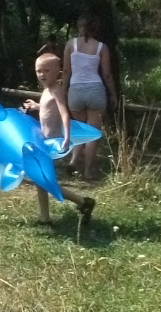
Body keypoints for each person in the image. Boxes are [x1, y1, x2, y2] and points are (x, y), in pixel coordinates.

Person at [22, 52, 96, 227]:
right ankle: (45, 217)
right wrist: (36, 106)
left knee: (44, 181)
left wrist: (67, 137)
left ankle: (83, 202)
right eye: (38, 71)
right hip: (42, 142)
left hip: (52, 144)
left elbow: (64, 113)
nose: (42, 74)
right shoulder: (47, 91)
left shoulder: (57, 91)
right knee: (40, 181)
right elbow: (48, 109)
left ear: (58, 72)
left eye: (47, 70)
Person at [64, 15, 115, 180]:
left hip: (76, 91)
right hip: (95, 90)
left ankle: (72, 162)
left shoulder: (70, 45)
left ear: (79, 27)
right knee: (92, 133)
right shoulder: (102, 47)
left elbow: (66, 71)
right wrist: (113, 94)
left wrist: (64, 91)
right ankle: (87, 172)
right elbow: (106, 74)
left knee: (80, 130)